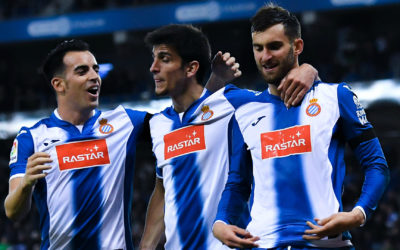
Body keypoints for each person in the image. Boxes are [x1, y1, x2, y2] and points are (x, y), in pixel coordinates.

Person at [3, 39, 242, 249]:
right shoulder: (31, 137)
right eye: (82, 71)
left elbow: (182, 124)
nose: (94, 76)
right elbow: (13, 211)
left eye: (95, 69)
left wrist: (215, 83)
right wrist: (25, 184)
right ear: (59, 84)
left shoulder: (124, 122)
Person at [213, 4, 390, 249]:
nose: (265, 57)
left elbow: (376, 165)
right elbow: (237, 182)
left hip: (327, 245)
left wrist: (358, 214)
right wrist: (220, 222)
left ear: (297, 47)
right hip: (263, 243)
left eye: (275, 46)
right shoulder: (243, 110)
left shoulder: (336, 97)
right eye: (258, 48)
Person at [139, 24, 319, 250]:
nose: (153, 68)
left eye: (164, 59)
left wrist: (309, 71)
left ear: (191, 68)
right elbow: (163, 188)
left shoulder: (232, 102)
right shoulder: (158, 124)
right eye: (154, 59)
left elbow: (280, 96)